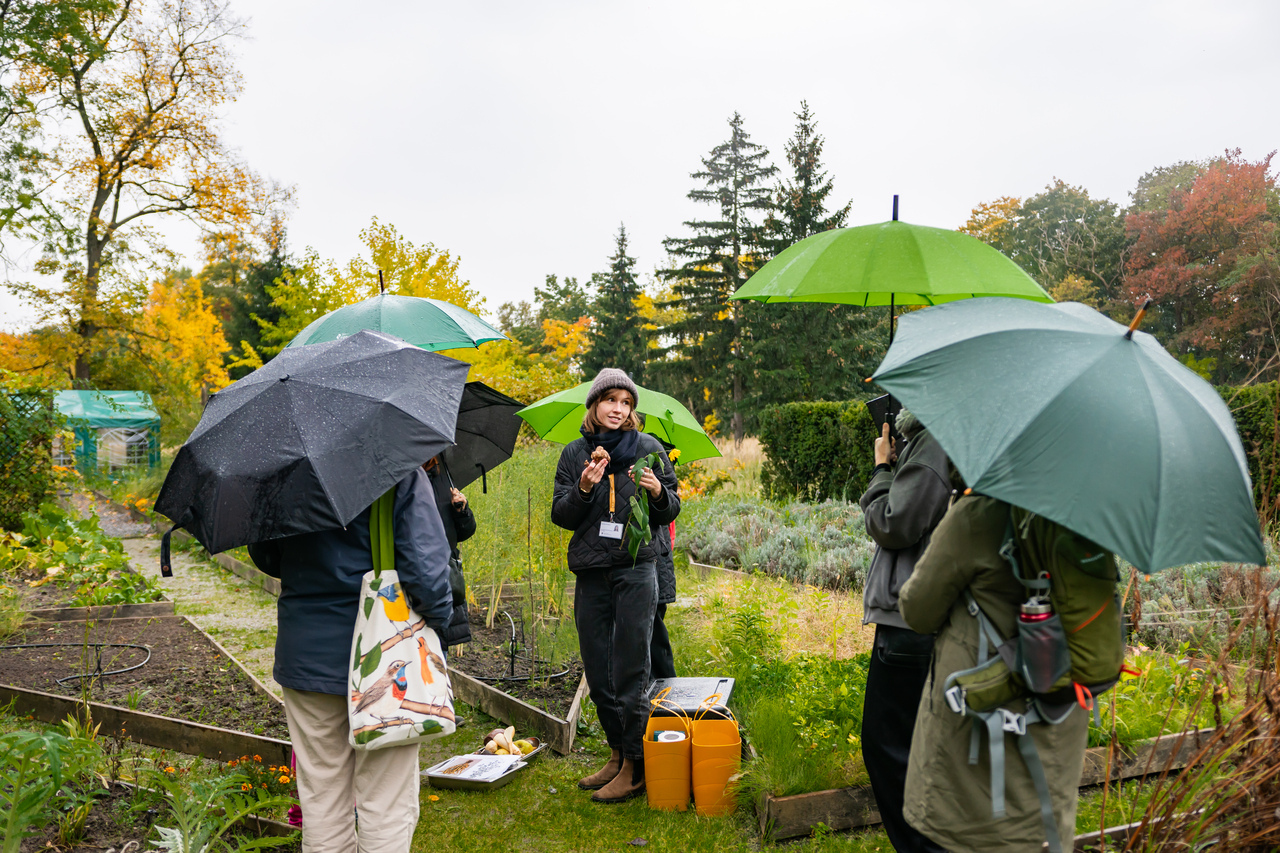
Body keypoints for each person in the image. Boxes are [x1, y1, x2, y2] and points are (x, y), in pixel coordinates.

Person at [249, 467, 452, 853]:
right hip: (383, 651)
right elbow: (426, 574)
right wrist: (439, 620)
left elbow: (267, 555)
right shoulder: (395, 469)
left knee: (321, 797)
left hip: (307, 656)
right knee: (386, 799)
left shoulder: (280, 471)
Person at [898, 492, 1089, 853]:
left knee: (973, 836)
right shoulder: (1087, 515)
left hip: (983, 722)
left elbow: (917, 610)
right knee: (1038, 833)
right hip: (1059, 712)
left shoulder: (981, 514)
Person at [551, 368, 680, 803]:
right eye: (611, 400)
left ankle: (636, 766)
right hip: (592, 572)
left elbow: (671, 509)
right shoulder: (575, 454)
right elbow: (561, 515)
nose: (618, 409)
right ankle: (616, 753)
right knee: (597, 667)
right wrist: (584, 488)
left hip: (636, 569)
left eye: (626, 403)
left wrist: (658, 492)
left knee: (630, 669)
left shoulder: (649, 449)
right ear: (594, 404)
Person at [858, 409, 952, 853]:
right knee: (920, 747)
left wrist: (881, 469)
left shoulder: (935, 439)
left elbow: (895, 523)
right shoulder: (935, 439)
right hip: (929, 615)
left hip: (911, 617)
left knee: (888, 747)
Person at [423, 454, 477, 650]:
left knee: (439, 652)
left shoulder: (441, 472)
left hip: (445, 575)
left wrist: (461, 510)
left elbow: (463, 532)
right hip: (419, 577)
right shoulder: (403, 478)